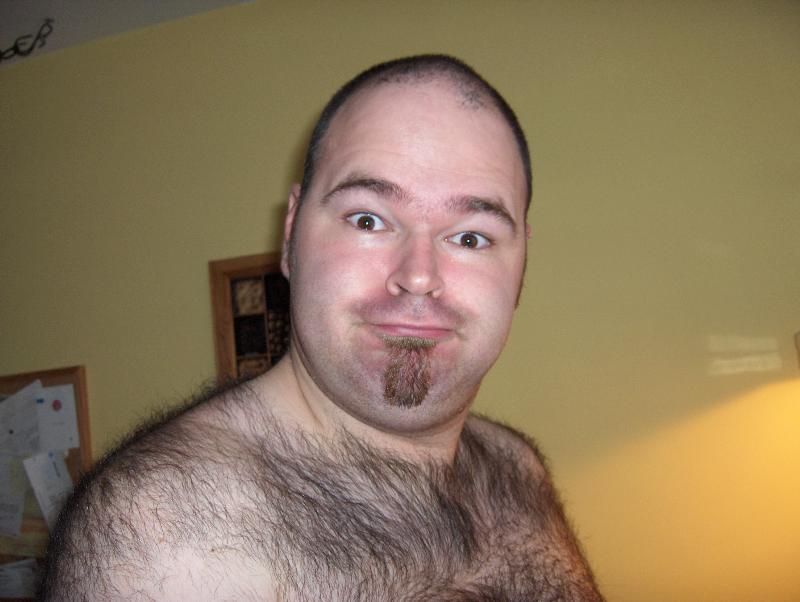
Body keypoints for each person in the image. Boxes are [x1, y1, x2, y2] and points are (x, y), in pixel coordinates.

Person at [40, 54, 604, 601]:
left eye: (471, 237)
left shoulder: (516, 466)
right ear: (290, 233)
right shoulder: (167, 533)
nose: (418, 277)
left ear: (522, 262)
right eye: (368, 220)